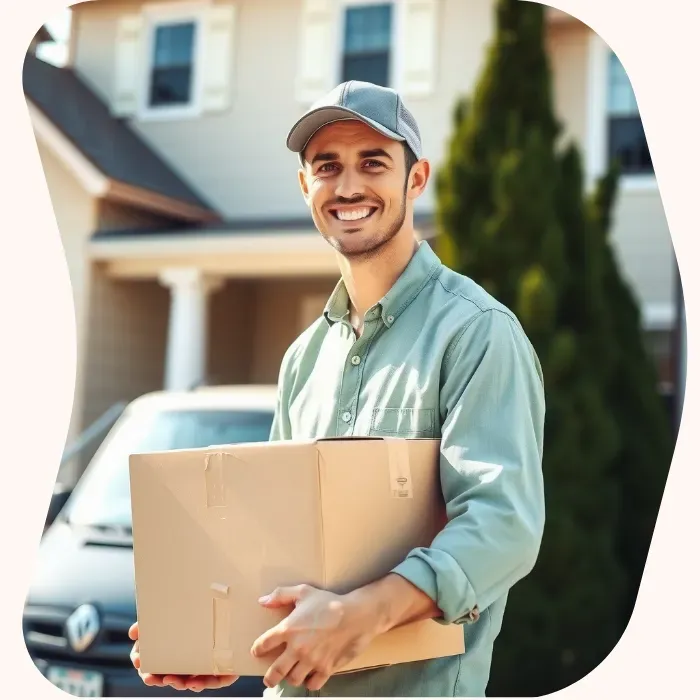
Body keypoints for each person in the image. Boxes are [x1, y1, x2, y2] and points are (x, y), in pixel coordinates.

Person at [129, 80, 546, 697]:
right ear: (306, 187)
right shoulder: (304, 358)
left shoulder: (478, 333)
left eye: (373, 162)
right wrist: (227, 644)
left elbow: (503, 525)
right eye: (327, 167)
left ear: (416, 178)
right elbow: (274, 545)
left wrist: (360, 615)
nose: (348, 186)